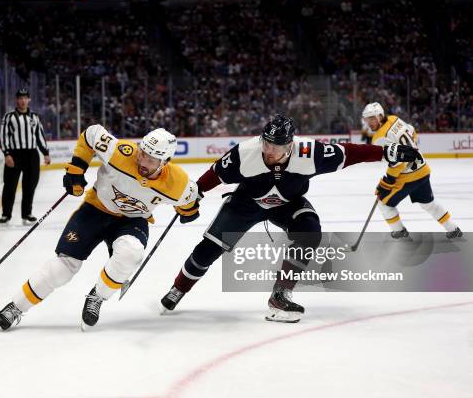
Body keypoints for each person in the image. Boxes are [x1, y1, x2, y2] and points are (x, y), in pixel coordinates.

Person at [159, 114, 423, 323]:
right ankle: (179, 288)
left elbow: (350, 153)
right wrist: (191, 196)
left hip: (287, 204)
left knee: (309, 232)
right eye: (266, 143)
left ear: (290, 144)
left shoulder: (309, 153)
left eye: (276, 146)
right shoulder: (245, 153)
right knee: (209, 249)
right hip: (245, 204)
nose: (269, 150)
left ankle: (280, 294)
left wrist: (388, 153)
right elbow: (214, 174)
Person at [0, 125, 199, 330]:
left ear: (165, 162)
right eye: (142, 153)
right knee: (62, 268)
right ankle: (16, 307)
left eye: (151, 159)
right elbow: (91, 134)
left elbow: (189, 199)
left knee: (131, 253)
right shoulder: (121, 152)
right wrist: (77, 168)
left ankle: (97, 297)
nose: (142, 161)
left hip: (132, 220)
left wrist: (188, 211)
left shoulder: (178, 183)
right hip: (95, 210)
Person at [362, 102, 462, 239]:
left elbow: (398, 163)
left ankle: (400, 232)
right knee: (428, 203)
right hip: (423, 169)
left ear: (380, 116)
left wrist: (387, 181)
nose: (369, 123)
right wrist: (410, 148)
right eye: (367, 119)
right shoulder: (394, 119)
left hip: (409, 177)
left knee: (384, 204)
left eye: (372, 118)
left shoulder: (379, 138)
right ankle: (453, 228)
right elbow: (412, 131)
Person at [0, 88, 51, 225]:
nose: (22, 100)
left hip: (32, 155)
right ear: (16, 100)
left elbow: (40, 135)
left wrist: (45, 153)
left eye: (25, 98)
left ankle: (27, 213)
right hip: (14, 155)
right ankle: (6, 214)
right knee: (10, 185)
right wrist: (7, 154)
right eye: (20, 98)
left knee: (30, 185)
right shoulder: (9, 117)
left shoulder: (34, 117)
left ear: (29, 100)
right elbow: (3, 136)